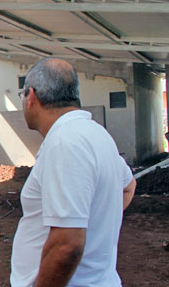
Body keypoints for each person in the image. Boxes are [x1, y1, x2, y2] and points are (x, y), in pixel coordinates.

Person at [10, 58, 136, 287]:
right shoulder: (96, 134)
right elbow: (128, 186)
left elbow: (67, 245)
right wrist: (96, 221)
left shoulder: (64, 143)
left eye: (22, 95)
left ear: (31, 97)